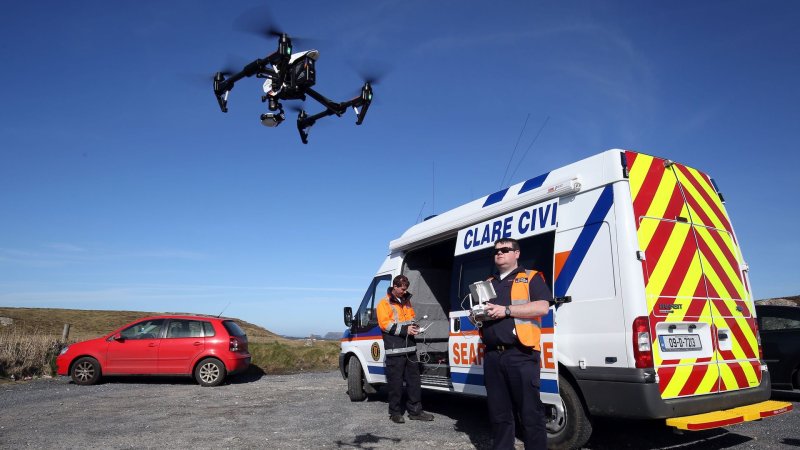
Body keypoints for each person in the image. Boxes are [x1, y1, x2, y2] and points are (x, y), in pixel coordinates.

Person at [480, 238, 552, 450]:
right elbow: (483, 312)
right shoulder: (487, 282)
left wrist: (507, 310)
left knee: (531, 414)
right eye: (496, 251)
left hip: (520, 354)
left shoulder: (530, 277)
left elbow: (542, 307)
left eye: (505, 250)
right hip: (493, 356)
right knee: (499, 415)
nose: (499, 254)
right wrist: (477, 315)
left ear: (517, 253)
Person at [376, 275, 434, 424]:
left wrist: (415, 327)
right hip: (395, 350)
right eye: (402, 289)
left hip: (410, 349)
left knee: (414, 382)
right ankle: (395, 412)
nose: (404, 291)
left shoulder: (407, 302)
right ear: (394, 287)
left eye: (405, 289)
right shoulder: (383, 303)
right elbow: (385, 325)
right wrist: (405, 330)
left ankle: (416, 411)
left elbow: (411, 318)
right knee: (395, 384)